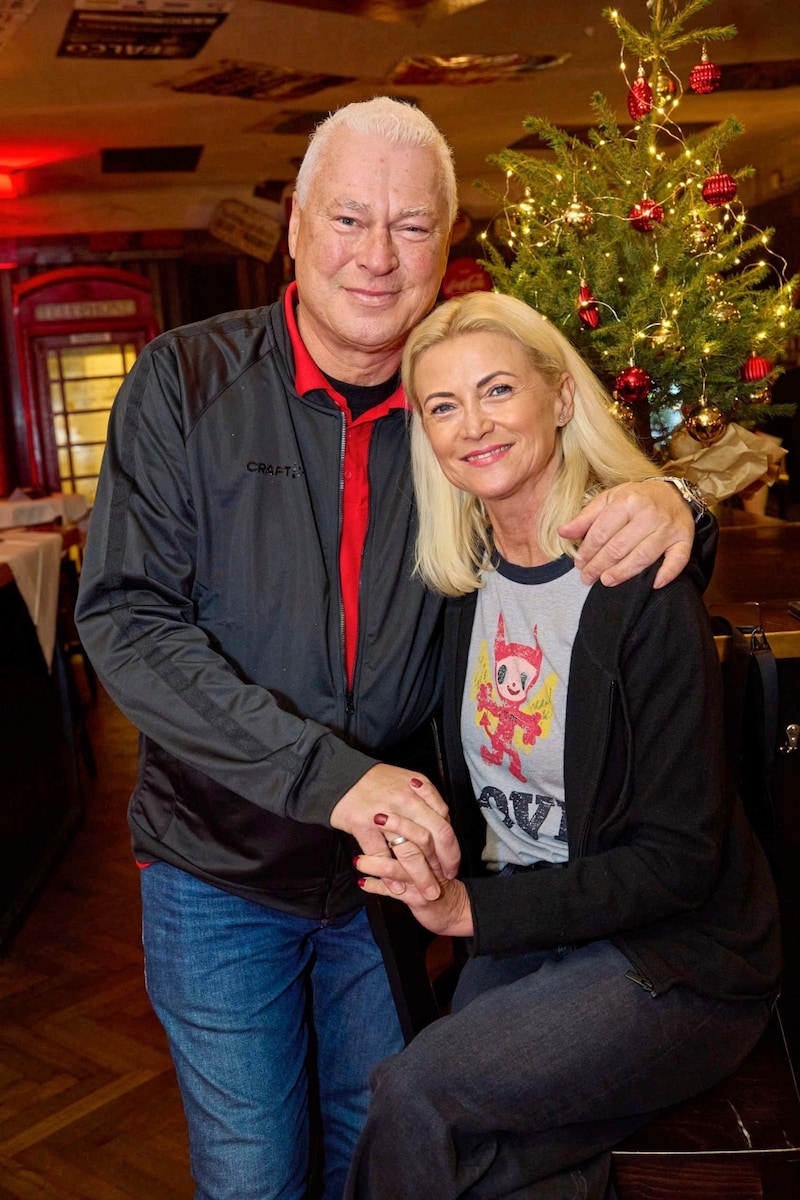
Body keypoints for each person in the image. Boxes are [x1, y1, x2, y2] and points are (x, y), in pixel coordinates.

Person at [75, 98, 714, 1200]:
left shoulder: (453, 418)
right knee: (255, 1177)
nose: (376, 255)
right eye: (349, 219)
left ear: (445, 247)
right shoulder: (184, 384)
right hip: (220, 869)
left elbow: (569, 522)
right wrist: (336, 781)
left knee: (378, 1153)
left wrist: (677, 507)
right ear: (294, 226)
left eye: (411, 226)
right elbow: (124, 621)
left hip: (397, 884)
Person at [348, 291, 781, 1200]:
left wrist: (469, 913)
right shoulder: (460, 587)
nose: (474, 425)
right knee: (474, 1155)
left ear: (559, 397)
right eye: (443, 406)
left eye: (498, 389)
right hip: (538, 922)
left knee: (416, 1095)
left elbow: (677, 864)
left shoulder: (638, 584)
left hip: (672, 954)